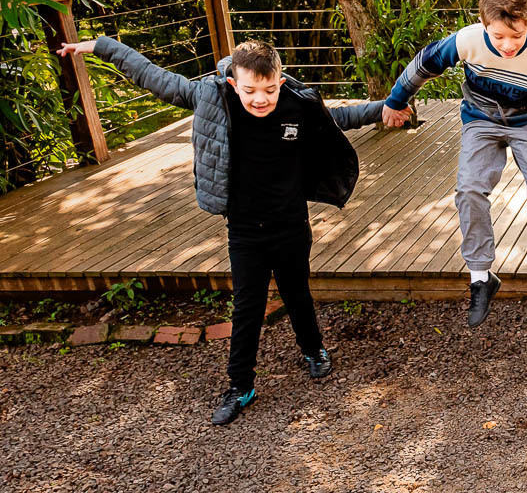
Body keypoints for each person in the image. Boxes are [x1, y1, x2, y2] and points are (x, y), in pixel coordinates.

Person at [58, 37, 402, 424]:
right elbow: (153, 77)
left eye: (269, 90)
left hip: (291, 224)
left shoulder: (298, 104)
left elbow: (340, 117)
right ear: (234, 83)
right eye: (250, 90)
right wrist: (100, 46)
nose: (260, 99)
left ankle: (314, 349)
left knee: (296, 293)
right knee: (247, 308)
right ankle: (241, 386)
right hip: (244, 230)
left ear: (280, 81)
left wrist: (385, 108)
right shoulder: (211, 97)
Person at [382, 0, 527, 326]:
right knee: (469, 189)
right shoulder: (467, 40)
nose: (507, 45)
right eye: (498, 36)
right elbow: (425, 63)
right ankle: (481, 278)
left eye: (517, 36)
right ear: (484, 23)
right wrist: (396, 101)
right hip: (480, 120)